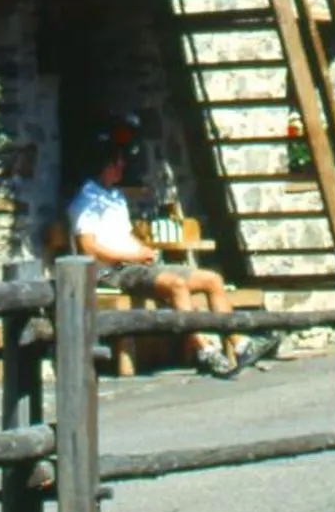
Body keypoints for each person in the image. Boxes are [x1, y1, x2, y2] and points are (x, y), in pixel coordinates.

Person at [67, 129, 272, 380]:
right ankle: (203, 349)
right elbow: (88, 247)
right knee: (175, 285)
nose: (122, 166)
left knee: (212, 280)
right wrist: (132, 257)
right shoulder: (86, 201)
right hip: (113, 270)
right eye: (117, 162)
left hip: (137, 264)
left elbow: (125, 234)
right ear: (105, 166)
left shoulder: (114, 197)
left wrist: (143, 249)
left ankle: (239, 344)